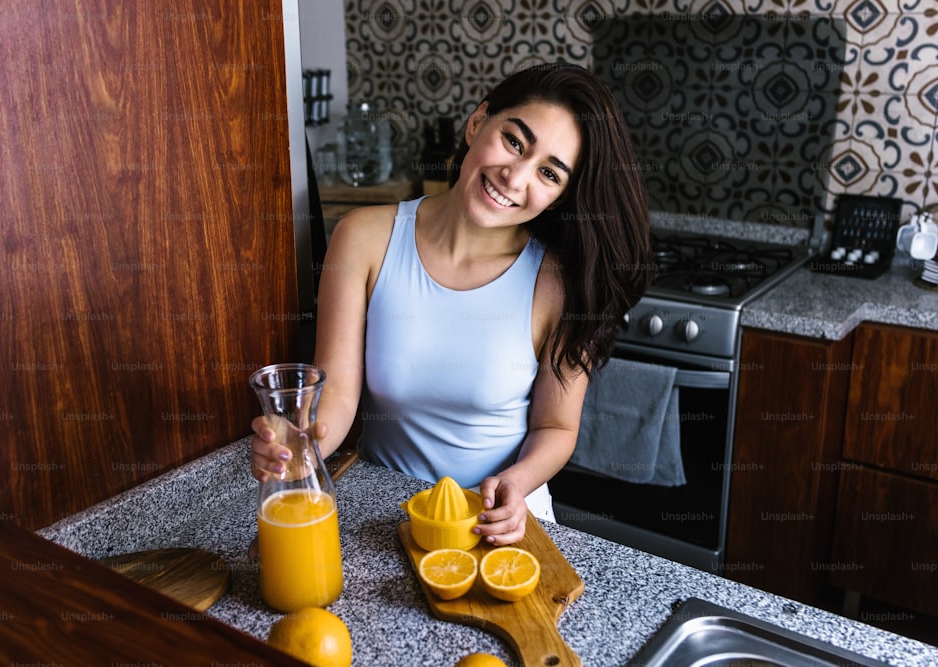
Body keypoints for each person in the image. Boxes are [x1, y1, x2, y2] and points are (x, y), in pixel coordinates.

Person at [252, 62, 652, 545]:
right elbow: (336, 394)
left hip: (498, 523)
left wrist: (519, 482)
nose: (515, 177)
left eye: (548, 173)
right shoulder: (363, 237)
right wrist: (302, 444)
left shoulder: (560, 284)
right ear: (478, 121)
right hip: (384, 520)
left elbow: (556, 425)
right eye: (514, 142)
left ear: (561, 197)